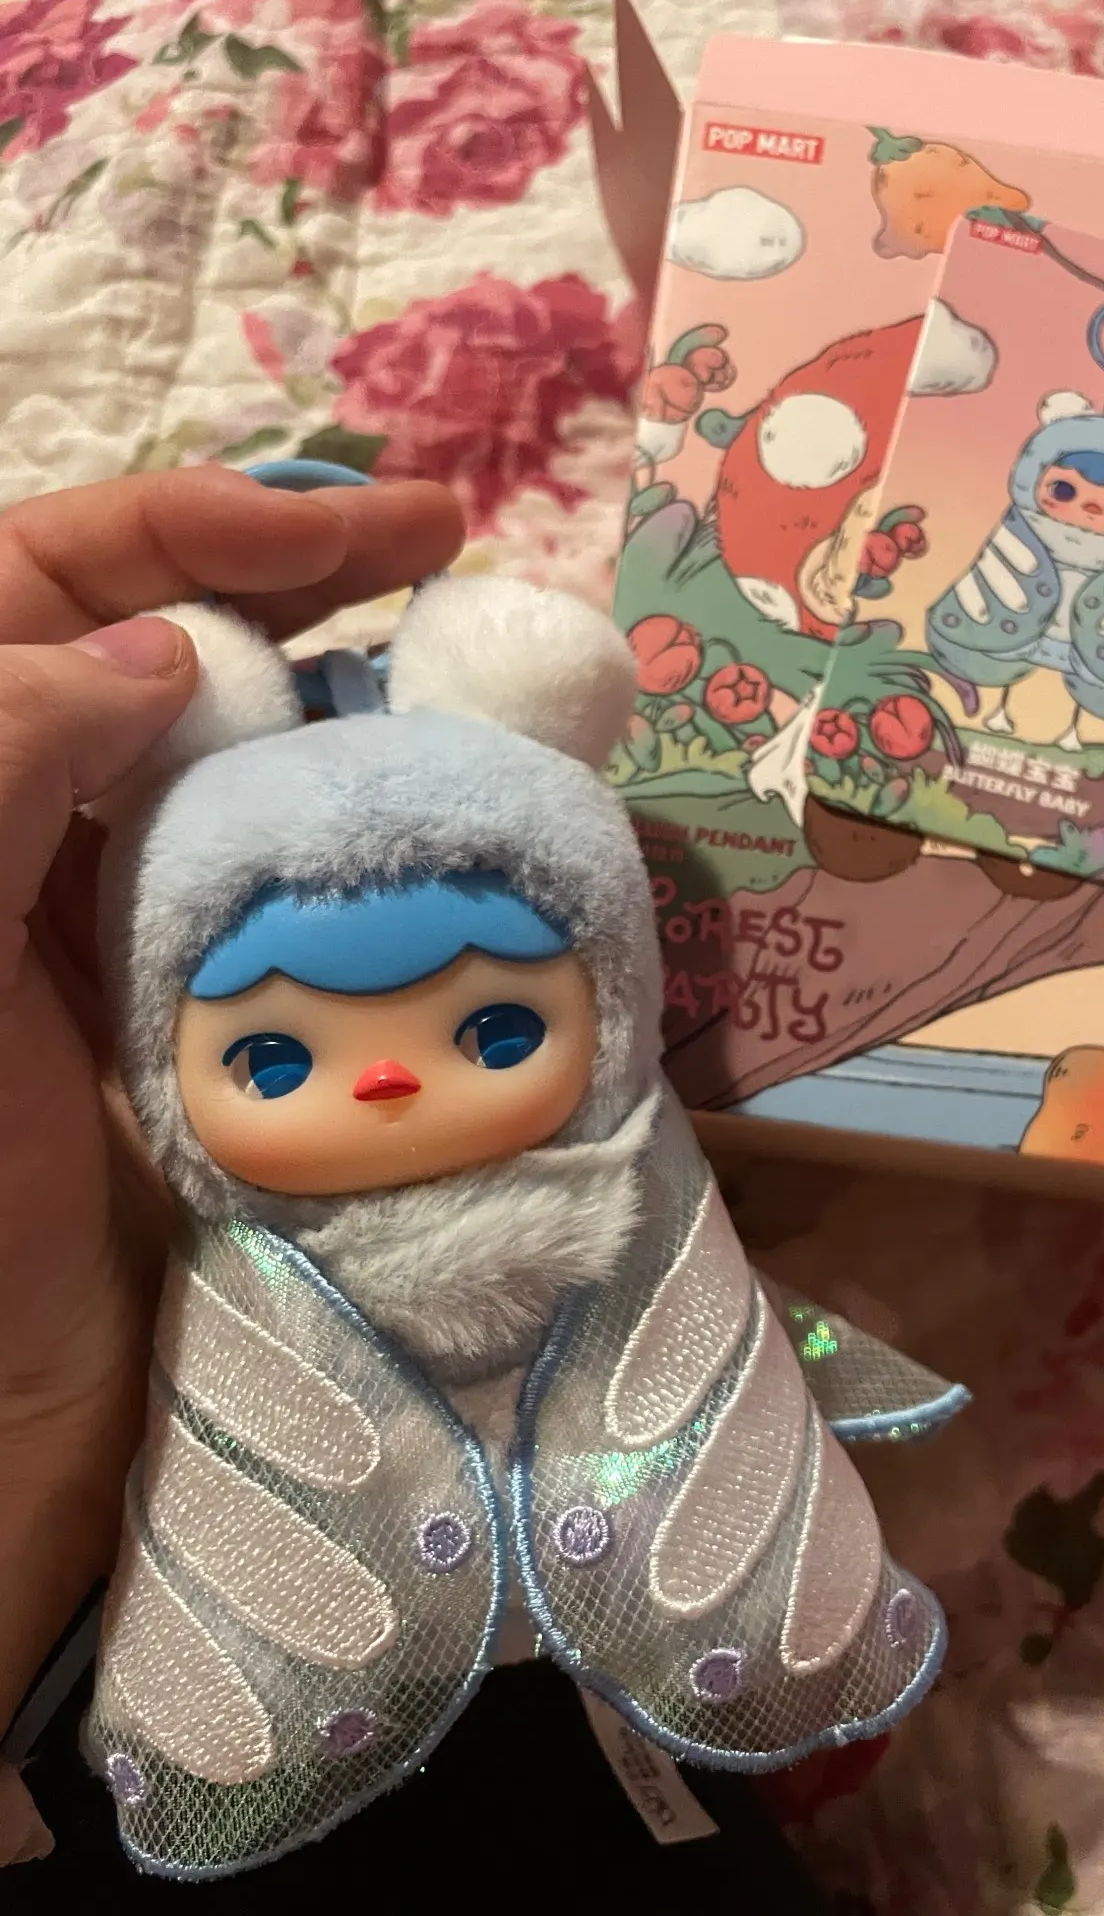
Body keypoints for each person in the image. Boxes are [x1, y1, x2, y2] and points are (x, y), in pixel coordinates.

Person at [0, 467, 833, 1910]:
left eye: (496, 1031)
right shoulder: (237, 1290)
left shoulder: (635, 1214)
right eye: (273, 1058)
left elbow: (701, 1360)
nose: (388, 1082)